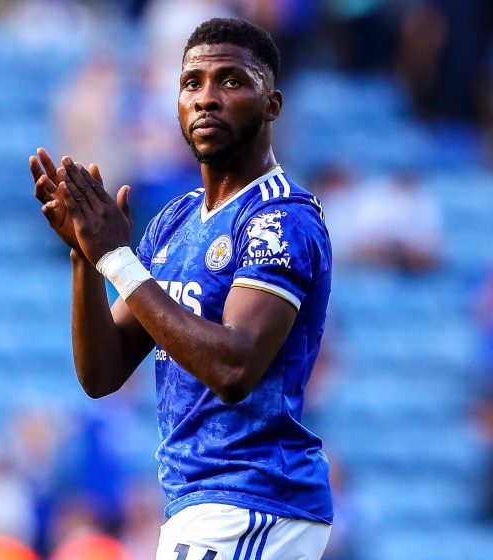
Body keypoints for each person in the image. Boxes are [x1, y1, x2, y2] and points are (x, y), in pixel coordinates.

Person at [29, 17, 332, 560]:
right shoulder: (176, 221)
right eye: (193, 83)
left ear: (272, 105)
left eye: (232, 81)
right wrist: (84, 256)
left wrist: (118, 260)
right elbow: (102, 374)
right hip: (200, 502)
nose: (208, 98)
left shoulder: (278, 217)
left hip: (253, 498)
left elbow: (234, 369)